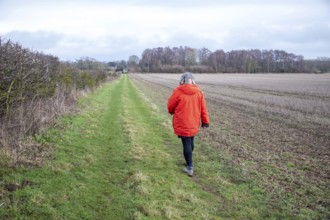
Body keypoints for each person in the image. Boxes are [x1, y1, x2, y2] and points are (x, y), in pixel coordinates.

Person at [167, 72, 209, 177]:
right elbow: (203, 108)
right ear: (193, 81)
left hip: (182, 121)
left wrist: (171, 111)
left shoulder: (178, 91)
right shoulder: (199, 92)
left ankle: (189, 167)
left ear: (182, 81)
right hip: (194, 121)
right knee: (190, 141)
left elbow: (170, 105)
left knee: (186, 143)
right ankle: (188, 159)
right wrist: (205, 121)